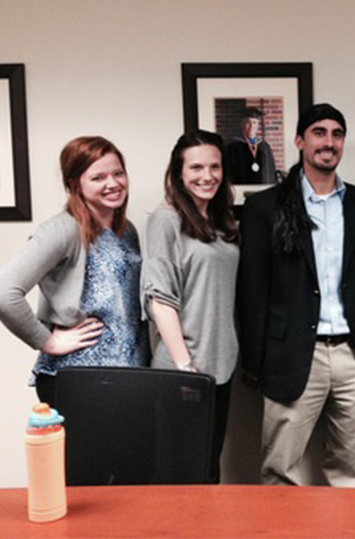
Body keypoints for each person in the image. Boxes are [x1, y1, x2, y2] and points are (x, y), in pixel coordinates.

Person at [237, 103, 355, 487]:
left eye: (337, 134)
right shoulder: (264, 207)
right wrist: (256, 361)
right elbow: (252, 290)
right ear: (300, 140)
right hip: (291, 353)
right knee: (279, 472)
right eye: (319, 132)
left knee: (349, 471)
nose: (329, 142)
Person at [0, 136, 147, 404]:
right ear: (75, 184)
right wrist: (47, 342)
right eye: (98, 177)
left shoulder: (126, 230)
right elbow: (2, 293)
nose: (113, 183)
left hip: (127, 376)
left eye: (118, 173)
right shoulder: (63, 229)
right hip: (78, 379)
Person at [142, 130, 240, 484]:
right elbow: (160, 299)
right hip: (185, 368)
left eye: (215, 167)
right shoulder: (166, 219)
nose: (207, 175)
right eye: (196, 167)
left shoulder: (220, 221)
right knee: (184, 475)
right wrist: (185, 367)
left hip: (220, 366)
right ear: (179, 173)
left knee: (207, 467)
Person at [225, 107, 278, 184]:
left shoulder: (264, 146)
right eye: (248, 122)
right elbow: (229, 174)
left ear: (257, 125)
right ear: (242, 124)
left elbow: (270, 173)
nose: (251, 126)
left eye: (254, 123)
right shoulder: (233, 147)